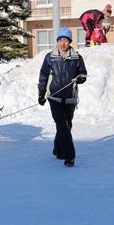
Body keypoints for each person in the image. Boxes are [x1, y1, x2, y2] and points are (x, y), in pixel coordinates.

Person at [37, 27, 88, 167]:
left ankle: (58, 149)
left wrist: (81, 79)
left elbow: (82, 73)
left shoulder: (77, 57)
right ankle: (69, 155)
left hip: (70, 97)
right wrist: (41, 93)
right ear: (57, 41)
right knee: (62, 125)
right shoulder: (50, 57)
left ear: (70, 41)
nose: (63, 43)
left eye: (65, 40)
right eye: (60, 40)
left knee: (67, 125)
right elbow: (43, 76)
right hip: (54, 97)